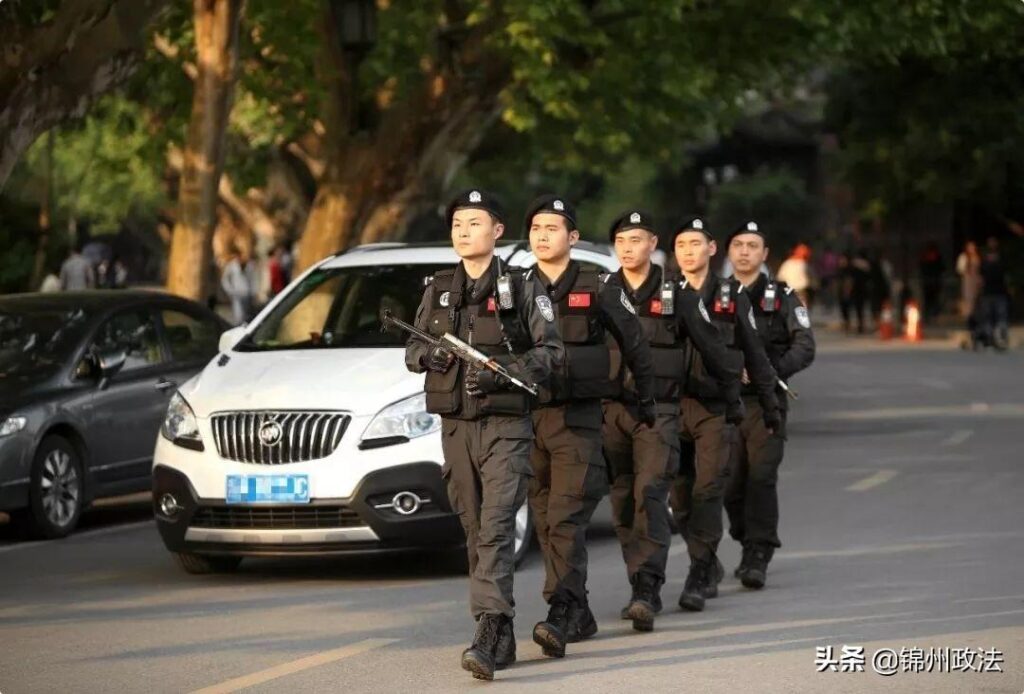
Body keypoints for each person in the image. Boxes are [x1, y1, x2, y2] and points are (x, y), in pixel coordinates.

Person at [404, 189, 563, 681]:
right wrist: (429, 357)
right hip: (456, 426)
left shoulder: (523, 287)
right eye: (457, 224)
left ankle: (488, 630)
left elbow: (553, 353)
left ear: (497, 231)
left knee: (496, 526)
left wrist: (504, 371)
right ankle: (502, 626)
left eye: (474, 223)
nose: (463, 231)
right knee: (474, 528)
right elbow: (413, 349)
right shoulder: (439, 288)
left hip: (506, 425)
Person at [523, 195, 655, 658]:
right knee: (543, 519)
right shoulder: (517, 288)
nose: (542, 235)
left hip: (578, 419)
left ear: (572, 237)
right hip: (530, 417)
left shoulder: (597, 283)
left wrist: (647, 399)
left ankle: (559, 611)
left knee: (565, 518)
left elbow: (634, 340)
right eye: (536, 228)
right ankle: (579, 611)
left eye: (552, 228)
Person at [604, 210, 740, 632]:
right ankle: (638, 581)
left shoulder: (675, 293)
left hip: (661, 410)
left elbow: (713, 347)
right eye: (621, 241)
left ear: (653, 244)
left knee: (651, 493)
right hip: (613, 413)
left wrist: (734, 397)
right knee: (623, 502)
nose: (628, 248)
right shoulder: (603, 292)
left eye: (636, 240)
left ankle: (648, 587)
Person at [671, 217, 781, 612]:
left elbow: (755, 353)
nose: (688, 251)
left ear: (711, 249)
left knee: (709, 490)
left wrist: (770, 406)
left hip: (716, 408)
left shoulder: (731, 294)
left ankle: (700, 570)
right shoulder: (663, 292)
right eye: (681, 244)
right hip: (672, 407)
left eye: (695, 243)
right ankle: (709, 559)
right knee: (679, 497)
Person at [724, 221, 815, 589]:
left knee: (761, 478)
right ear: (728, 251)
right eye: (738, 244)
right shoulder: (714, 294)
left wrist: (770, 370)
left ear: (764, 255)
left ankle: (757, 553)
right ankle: (745, 536)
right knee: (729, 483)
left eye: (752, 246)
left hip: (766, 403)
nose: (745, 251)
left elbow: (805, 345)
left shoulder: (783, 295)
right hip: (725, 404)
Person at [977, 237, 1010, 350]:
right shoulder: (984, 259)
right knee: (988, 317)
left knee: (1001, 317)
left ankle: (1001, 339)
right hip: (988, 292)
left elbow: (1006, 276)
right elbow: (980, 277)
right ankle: (989, 340)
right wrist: (980, 290)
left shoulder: (1002, 257)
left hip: (1000, 292)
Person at [221, 249, 257, 326]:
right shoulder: (231, 266)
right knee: (239, 316)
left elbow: (253, 279)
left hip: (248, 293)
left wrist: (253, 292)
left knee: (249, 316)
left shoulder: (249, 265)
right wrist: (230, 290)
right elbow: (225, 280)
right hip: (237, 294)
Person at [776, 243, 812, 308]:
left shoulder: (787, 263)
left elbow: (780, 277)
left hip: (789, 289)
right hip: (800, 289)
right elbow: (810, 278)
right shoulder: (804, 264)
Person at [956, 240, 982, 319]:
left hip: (976, 279)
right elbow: (960, 269)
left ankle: (977, 314)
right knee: (968, 297)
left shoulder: (977, 256)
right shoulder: (963, 257)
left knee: (977, 296)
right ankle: (969, 315)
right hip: (967, 279)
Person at [919, 242, 944, 324]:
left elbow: (942, 268)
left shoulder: (938, 259)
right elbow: (922, 269)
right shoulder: (925, 259)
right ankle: (927, 317)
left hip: (935, 283)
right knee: (927, 301)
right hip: (927, 283)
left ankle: (935, 317)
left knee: (935, 301)